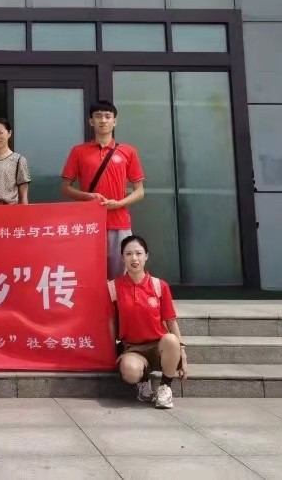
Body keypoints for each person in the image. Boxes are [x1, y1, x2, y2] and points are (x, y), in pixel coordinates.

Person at [60, 100, 145, 279]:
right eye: (98, 116)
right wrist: (88, 196)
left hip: (119, 222)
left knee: (120, 275)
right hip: (88, 224)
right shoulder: (78, 151)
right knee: (88, 275)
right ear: (91, 121)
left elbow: (140, 191)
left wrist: (119, 203)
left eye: (108, 116)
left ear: (115, 121)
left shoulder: (128, 151)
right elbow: (65, 188)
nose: (103, 120)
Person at [109, 234, 186, 410]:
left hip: (158, 345)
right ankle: (143, 382)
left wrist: (183, 352)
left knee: (171, 339)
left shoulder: (160, 286)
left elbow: (171, 322)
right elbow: (110, 322)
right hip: (132, 348)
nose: (134, 258)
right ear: (122, 258)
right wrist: (110, 351)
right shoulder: (114, 287)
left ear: (146, 256)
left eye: (138, 253)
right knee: (130, 372)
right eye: (129, 254)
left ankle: (165, 387)